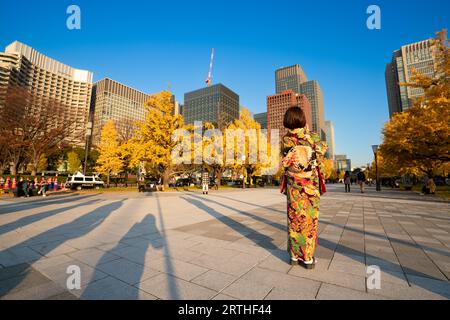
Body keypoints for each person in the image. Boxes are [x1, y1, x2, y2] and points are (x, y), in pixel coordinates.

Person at [281, 106, 327, 269]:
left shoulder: (285, 139)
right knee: (309, 219)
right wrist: (307, 134)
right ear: (302, 119)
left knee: (294, 219)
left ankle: (294, 256)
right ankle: (307, 257)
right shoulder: (311, 137)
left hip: (293, 185)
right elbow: (322, 150)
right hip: (309, 185)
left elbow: (285, 162)